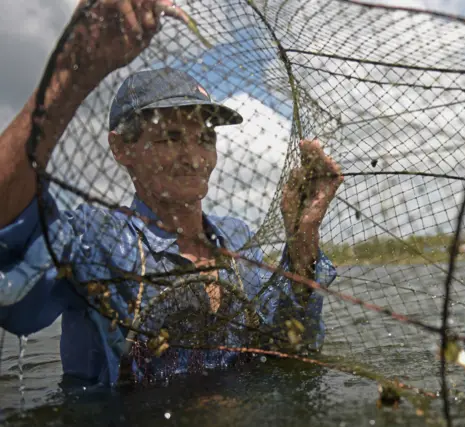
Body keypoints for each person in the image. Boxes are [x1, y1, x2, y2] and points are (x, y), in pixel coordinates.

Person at [0, 0, 343, 387]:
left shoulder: (238, 240)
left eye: (205, 138)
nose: (194, 158)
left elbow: (291, 351)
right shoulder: (97, 241)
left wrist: (302, 244)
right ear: (121, 148)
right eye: (171, 137)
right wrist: (73, 70)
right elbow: (14, 292)